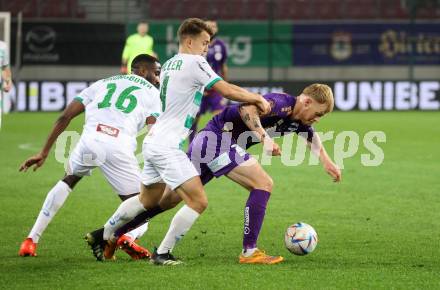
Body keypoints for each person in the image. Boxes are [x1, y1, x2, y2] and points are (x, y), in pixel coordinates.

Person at [85, 17, 270, 264]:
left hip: (153, 142)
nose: (207, 48)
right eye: (204, 42)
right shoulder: (195, 62)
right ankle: (162, 254)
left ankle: (105, 234)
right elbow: (225, 89)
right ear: (190, 41)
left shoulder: (170, 63)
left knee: (147, 200)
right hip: (167, 146)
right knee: (198, 200)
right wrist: (256, 97)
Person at [101, 84, 342, 265]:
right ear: (307, 101)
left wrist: (326, 161)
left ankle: (113, 237)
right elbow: (248, 107)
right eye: (318, 114)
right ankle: (249, 252)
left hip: (208, 142)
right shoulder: (282, 103)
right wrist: (264, 138)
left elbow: (309, 133)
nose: (317, 120)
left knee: (168, 200)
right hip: (217, 140)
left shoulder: (298, 118)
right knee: (263, 183)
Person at [18, 54, 161, 260]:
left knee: (68, 179)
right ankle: (124, 237)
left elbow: (65, 116)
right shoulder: (153, 94)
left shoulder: (102, 83)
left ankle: (30, 240)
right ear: (141, 70)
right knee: (145, 205)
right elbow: (152, 129)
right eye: (156, 73)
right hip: (117, 145)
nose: (157, 79)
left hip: (89, 140)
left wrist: (44, 152)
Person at [189, 20, 228, 142]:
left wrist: (225, 87)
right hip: (199, 88)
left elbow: (223, 67)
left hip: (215, 88)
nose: (212, 27)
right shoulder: (196, 44)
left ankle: (221, 146)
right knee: (194, 118)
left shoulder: (221, 45)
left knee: (221, 117)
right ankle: (191, 145)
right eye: (209, 25)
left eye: (214, 25)